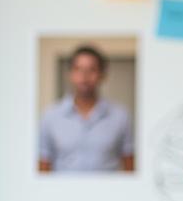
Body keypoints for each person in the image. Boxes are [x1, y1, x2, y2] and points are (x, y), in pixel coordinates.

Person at [37, 45, 135, 173]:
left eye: (91, 70)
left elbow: (130, 164)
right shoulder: (50, 116)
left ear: (102, 75)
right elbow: (44, 164)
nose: (84, 76)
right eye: (78, 69)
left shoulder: (121, 116)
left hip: (109, 192)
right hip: (62, 192)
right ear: (70, 74)